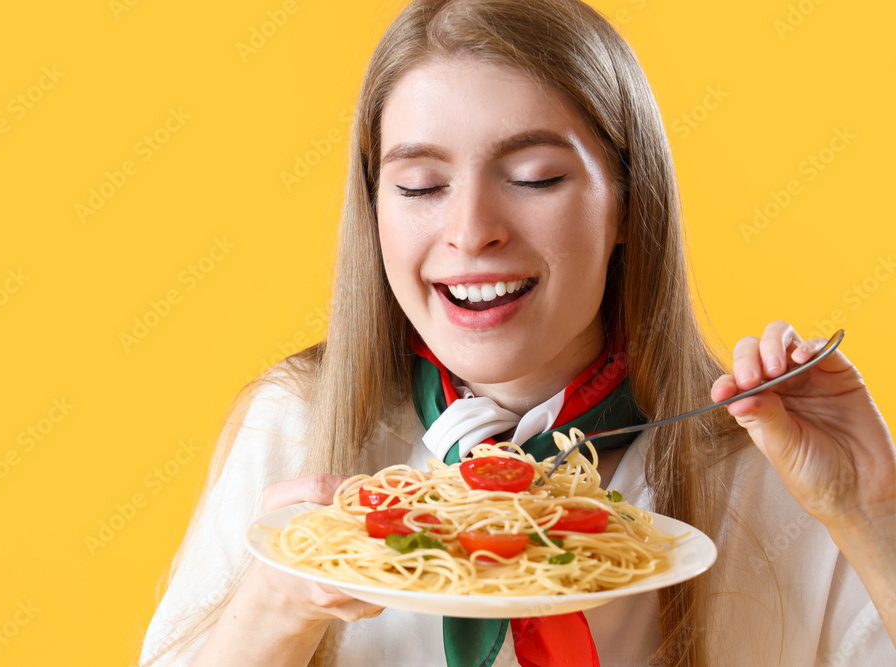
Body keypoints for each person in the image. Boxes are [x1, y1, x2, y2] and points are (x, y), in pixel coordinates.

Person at [138, 1, 896, 665]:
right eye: (420, 186)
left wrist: (875, 513)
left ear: (629, 204)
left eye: (535, 176)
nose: (471, 232)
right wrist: (275, 602)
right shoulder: (296, 425)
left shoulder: (765, 464)